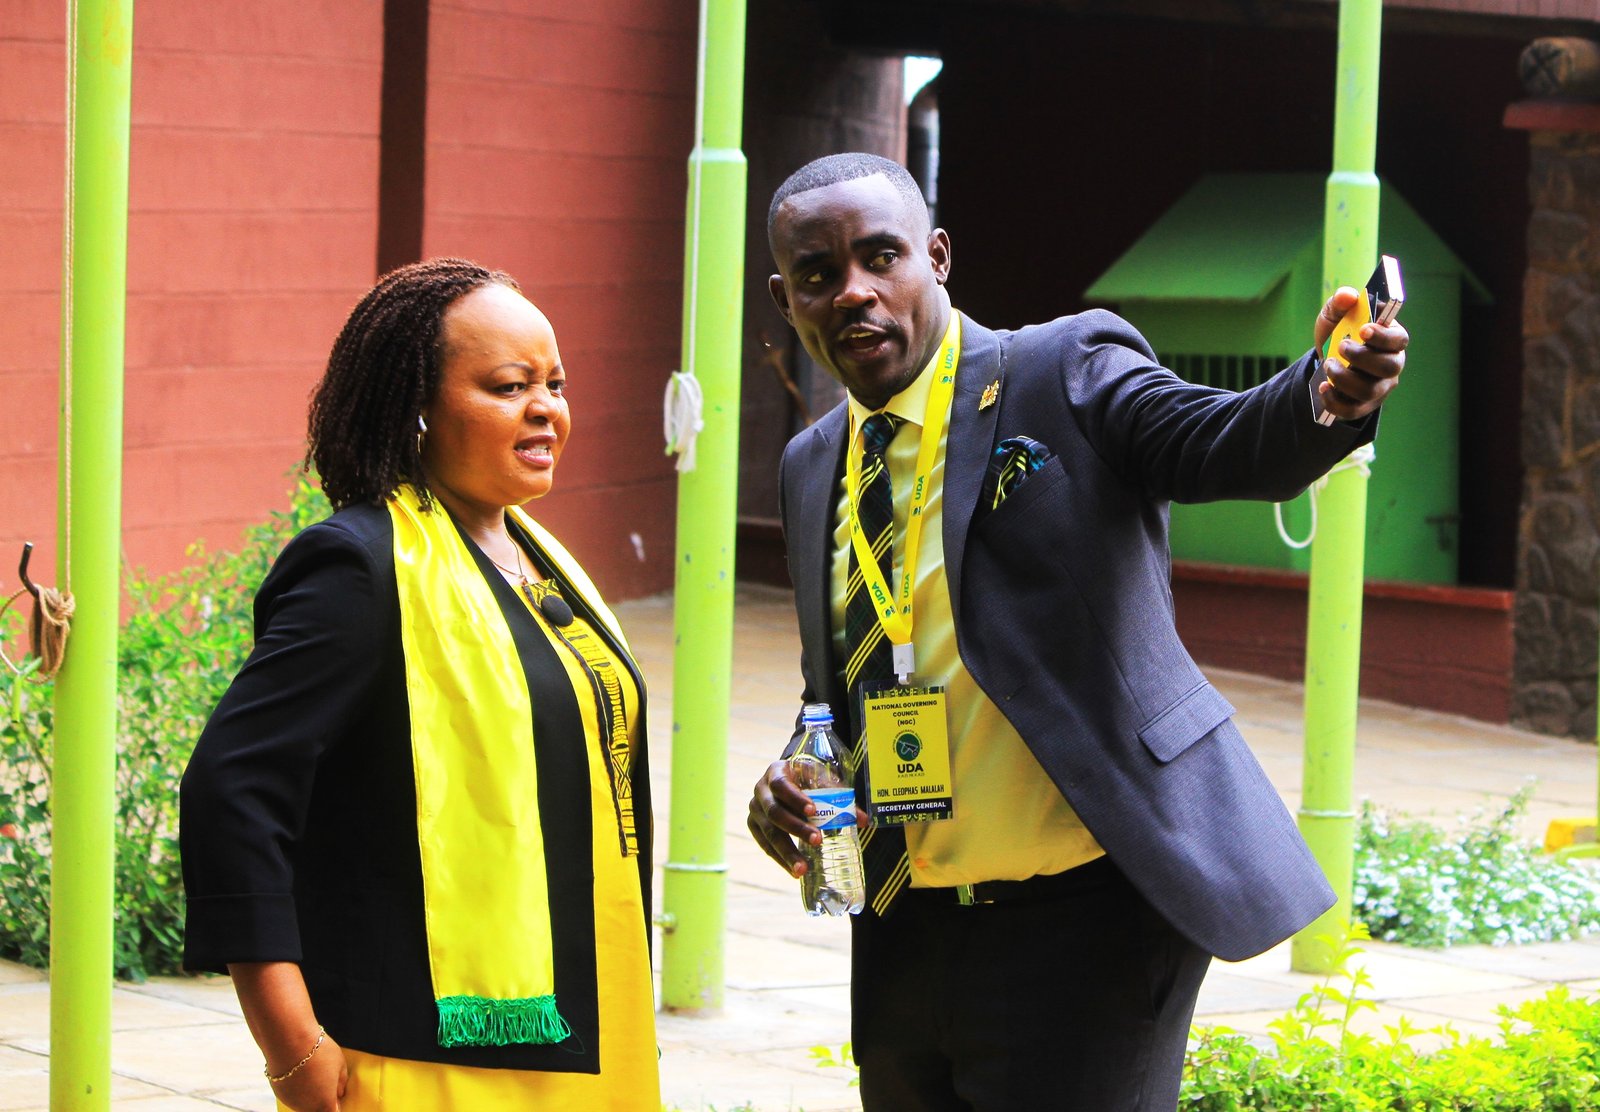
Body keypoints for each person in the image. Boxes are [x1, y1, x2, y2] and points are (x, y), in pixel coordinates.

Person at [745, 153, 1409, 1111]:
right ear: (785, 296)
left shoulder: (1061, 370)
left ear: (934, 257)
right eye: (817, 274)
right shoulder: (813, 466)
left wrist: (1328, 393)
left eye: (879, 256)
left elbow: (1217, 437)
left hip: (1084, 922)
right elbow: (841, 685)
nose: (853, 292)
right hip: (902, 933)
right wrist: (792, 779)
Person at [181, 258, 658, 1111]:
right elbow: (233, 789)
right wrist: (288, 1038)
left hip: (590, 1023)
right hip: (427, 1052)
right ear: (418, 407)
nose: (547, 407)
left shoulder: (542, 560)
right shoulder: (361, 568)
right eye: (510, 385)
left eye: (554, 382)